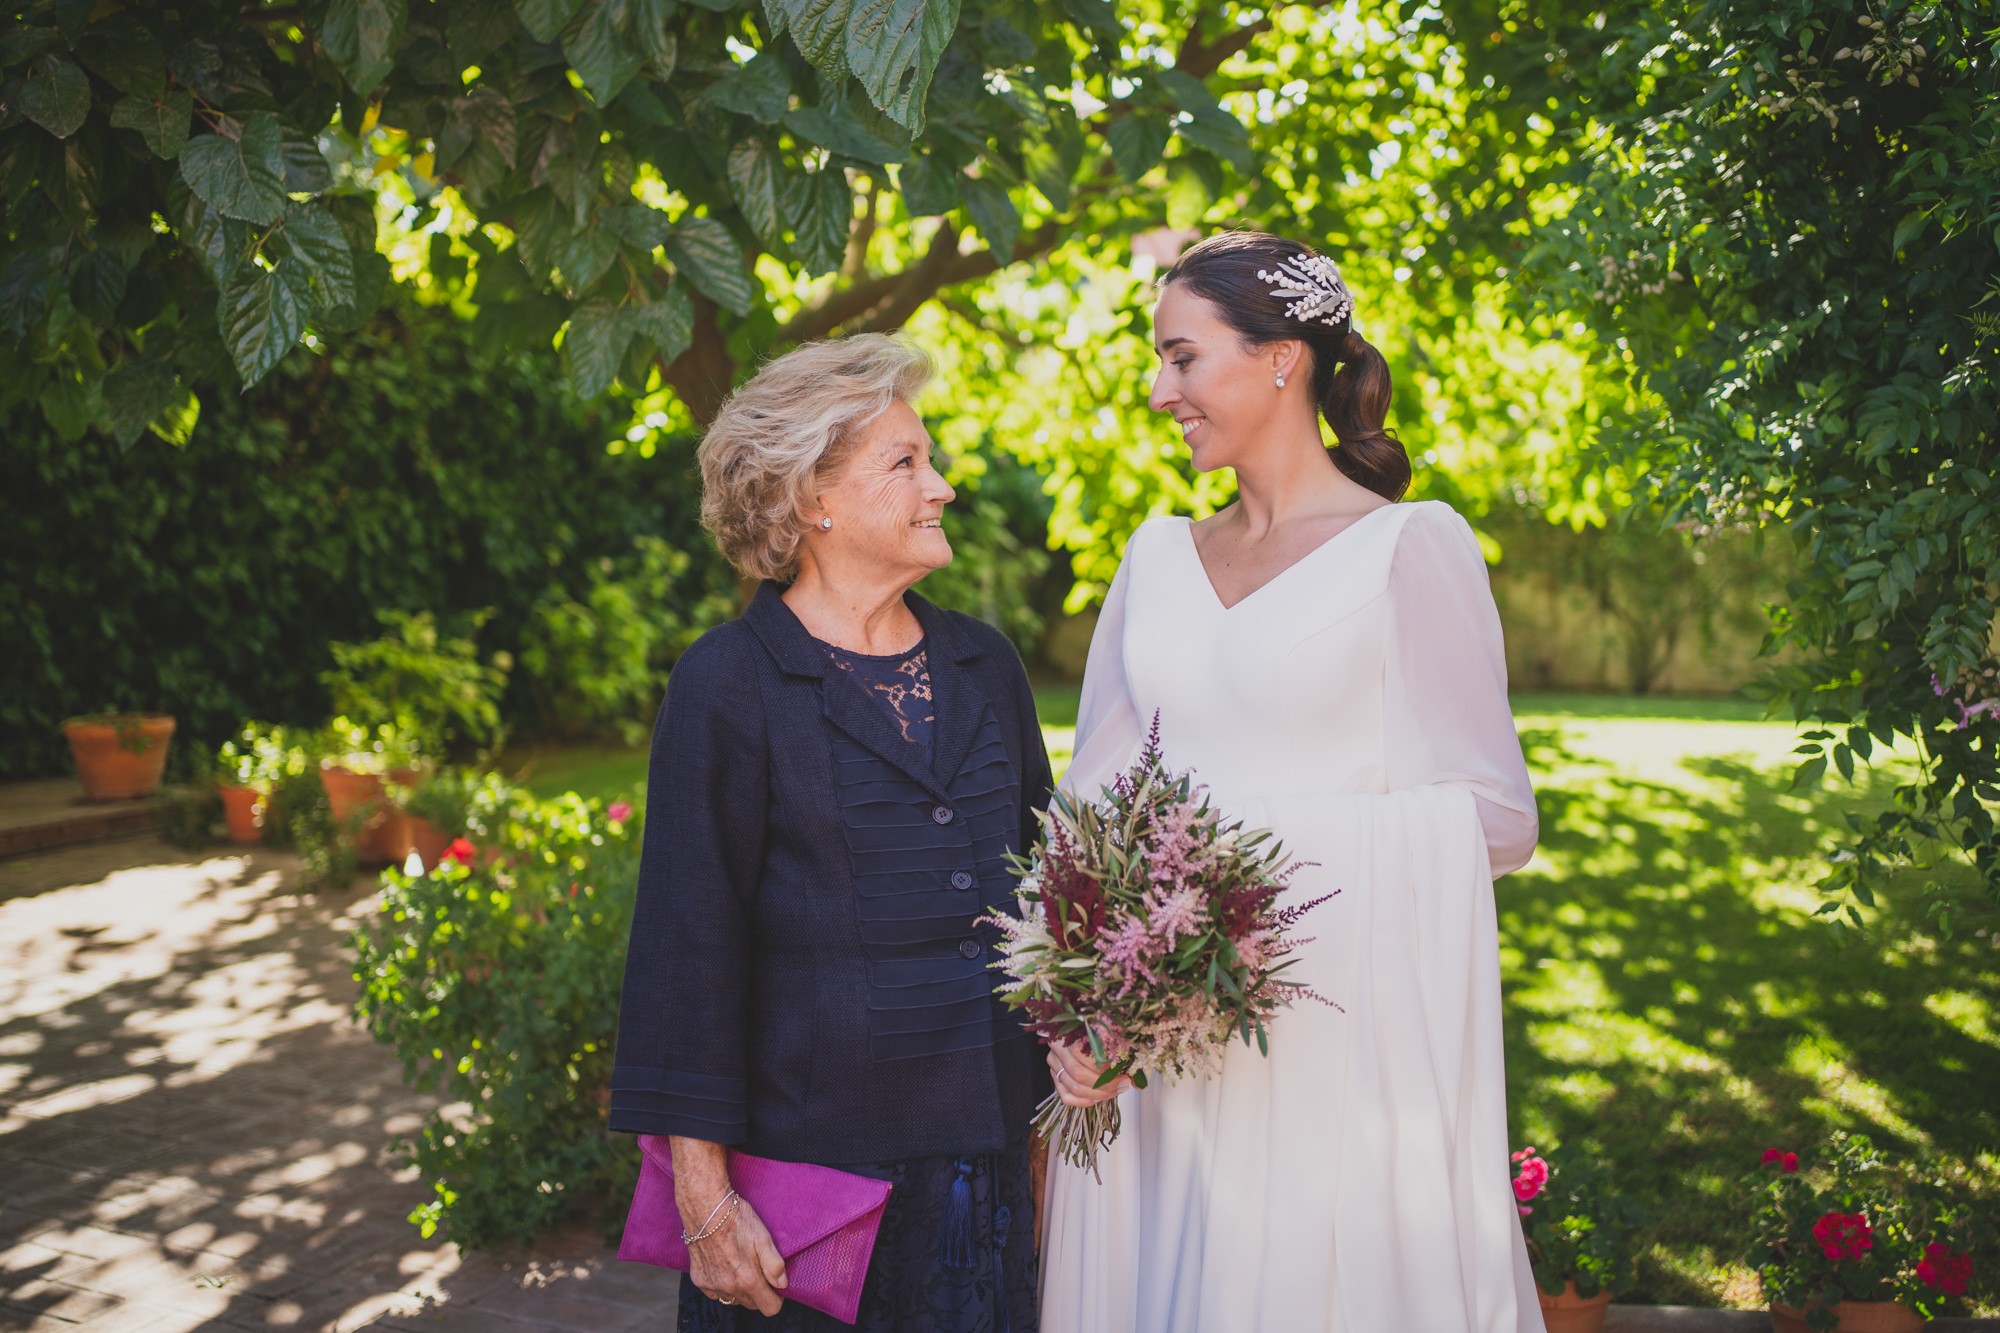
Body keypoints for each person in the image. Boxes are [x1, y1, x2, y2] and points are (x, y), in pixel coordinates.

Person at [1035, 231, 1545, 1332]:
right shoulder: (1151, 558)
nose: (1159, 390)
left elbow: (1496, 818)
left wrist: (1234, 875)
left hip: (1328, 1050)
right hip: (1161, 1054)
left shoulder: (1409, 548)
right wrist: (1083, 1001)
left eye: (1181, 357)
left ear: (1281, 360)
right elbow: (1090, 811)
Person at [610, 334, 1053, 1332]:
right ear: (809, 497)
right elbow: (688, 949)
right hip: (810, 1198)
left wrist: (1049, 1107)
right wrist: (703, 1197)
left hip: (979, 1179)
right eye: (905, 463)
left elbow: (1045, 901)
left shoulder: (986, 666)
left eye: (929, 459)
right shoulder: (726, 684)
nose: (939, 487)